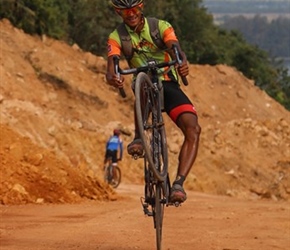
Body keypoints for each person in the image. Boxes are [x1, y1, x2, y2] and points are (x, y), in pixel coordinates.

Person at [106, 0, 201, 203]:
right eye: (125, 11)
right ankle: (139, 137)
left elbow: (176, 50)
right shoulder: (117, 37)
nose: (130, 14)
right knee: (142, 85)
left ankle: (178, 184)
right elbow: (112, 65)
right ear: (118, 13)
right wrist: (113, 77)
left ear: (142, 8)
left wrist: (182, 62)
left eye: (134, 9)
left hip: (168, 83)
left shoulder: (160, 27)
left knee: (193, 130)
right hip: (144, 86)